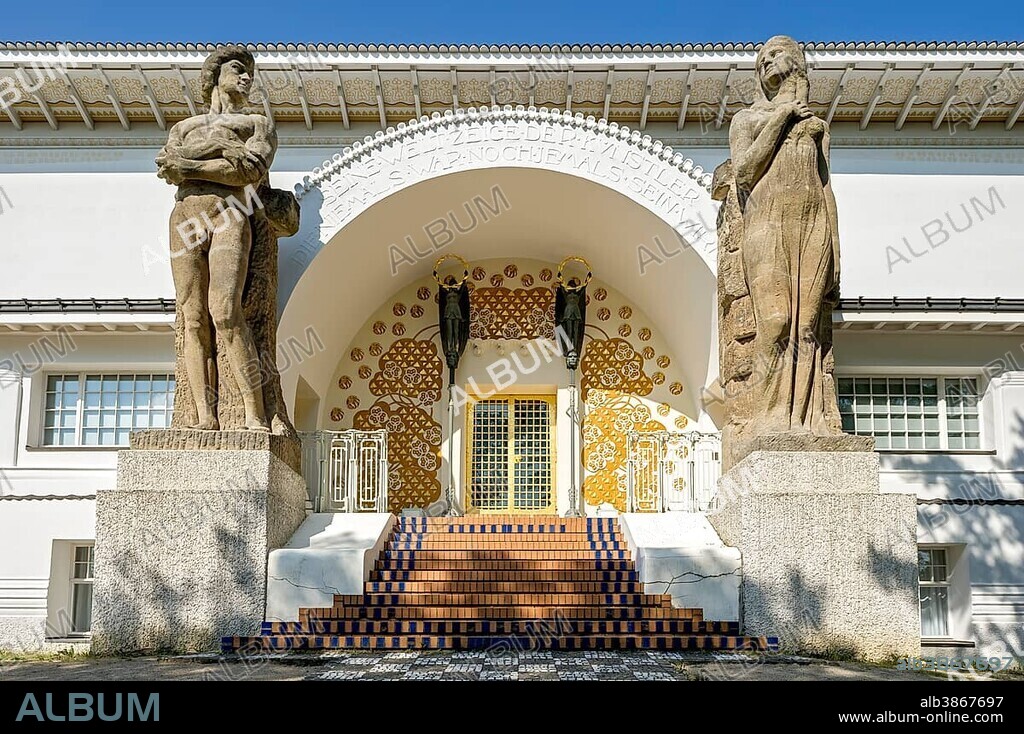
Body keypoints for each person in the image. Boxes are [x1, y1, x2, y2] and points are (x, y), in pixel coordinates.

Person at [728, 35, 843, 435]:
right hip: (767, 224)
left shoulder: (817, 126)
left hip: (812, 225)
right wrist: (782, 117)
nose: (766, 63)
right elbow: (744, 173)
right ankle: (766, 414)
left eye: (774, 54)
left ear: (795, 60)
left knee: (808, 325)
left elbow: (826, 187)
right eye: (760, 60)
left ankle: (808, 420)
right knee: (776, 322)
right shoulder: (747, 120)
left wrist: (838, 255)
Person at [155, 46, 274, 431]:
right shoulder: (183, 127)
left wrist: (192, 164)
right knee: (192, 318)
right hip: (185, 216)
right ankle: (205, 417)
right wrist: (222, 148)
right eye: (239, 69)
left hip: (228, 214)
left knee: (224, 311)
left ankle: (253, 415)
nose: (247, 78)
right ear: (215, 76)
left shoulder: (257, 123)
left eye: (250, 73)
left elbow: (246, 173)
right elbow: (170, 169)